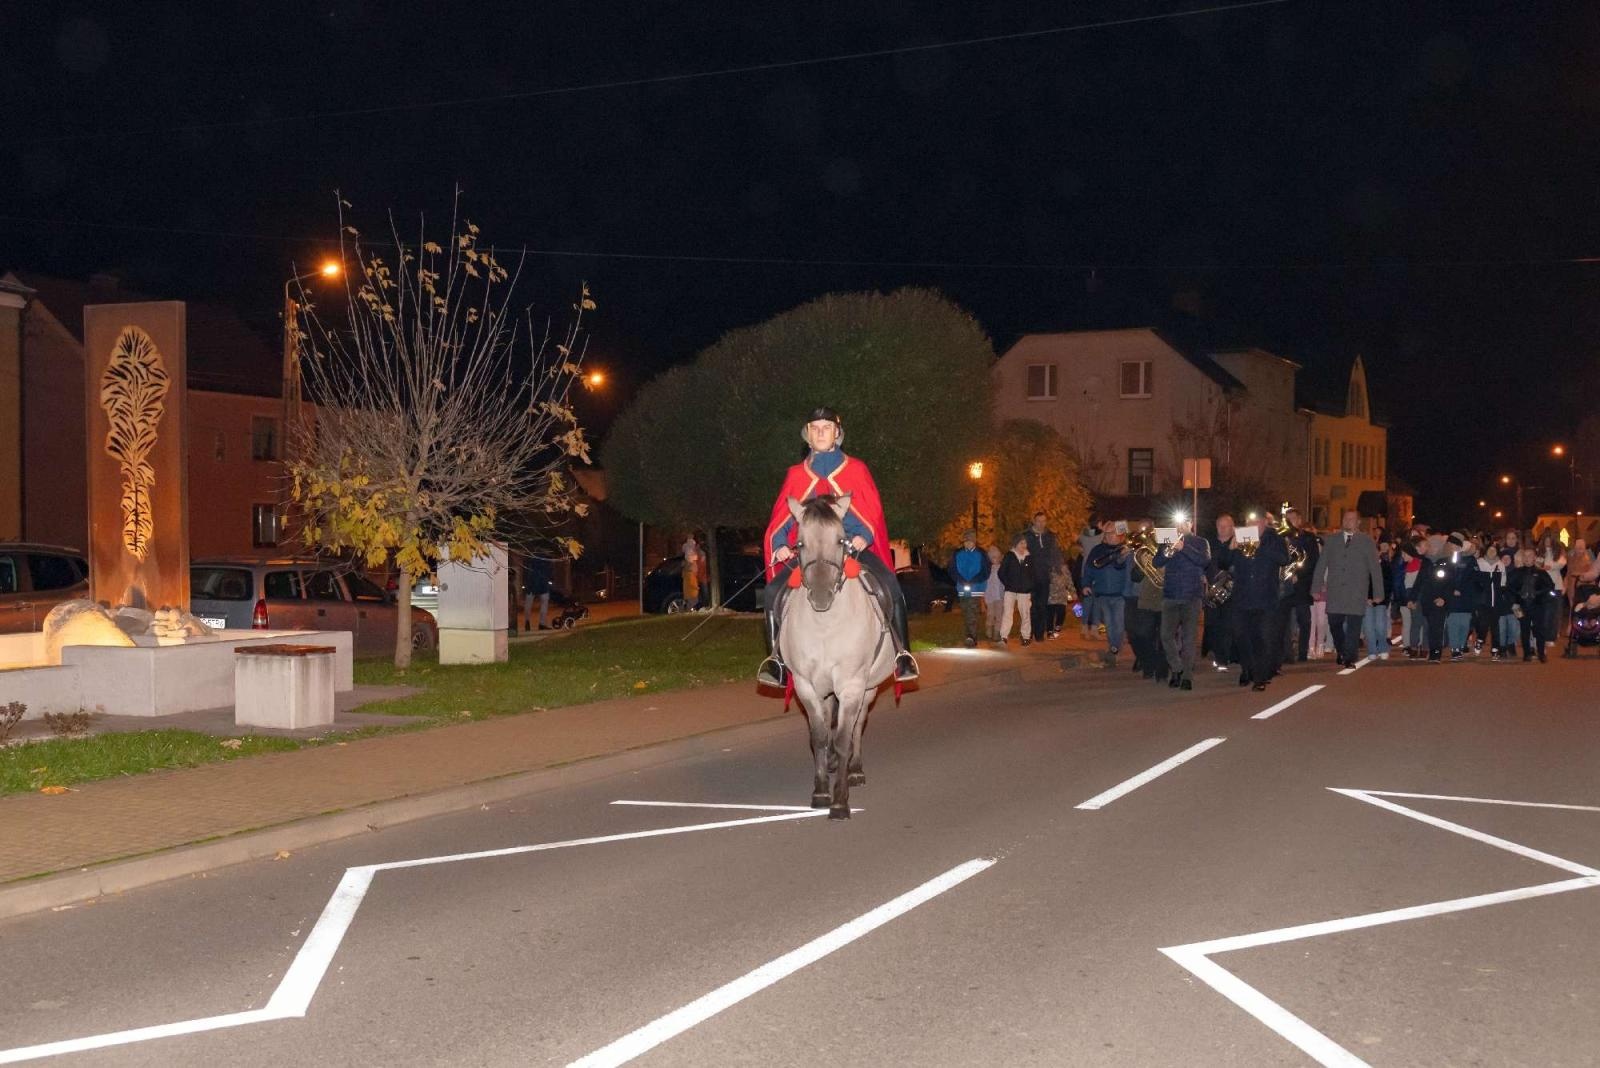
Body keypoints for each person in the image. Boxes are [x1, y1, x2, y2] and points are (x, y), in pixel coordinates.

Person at [757, 407, 917, 688]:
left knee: (890, 584)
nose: (820, 432)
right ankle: (777, 661)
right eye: (815, 428)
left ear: (836, 434)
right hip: (810, 552)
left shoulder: (856, 469)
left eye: (826, 428)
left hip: (851, 548)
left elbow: (873, 511)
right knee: (772, 592)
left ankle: (903, 654)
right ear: (808, 436)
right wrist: (781, 544)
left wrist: (864, 536)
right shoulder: (796, 474)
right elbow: (781, 517)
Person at [1312, 510, 1384, 668]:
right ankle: (1342, 650)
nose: (1348, 521)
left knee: (1353, 626)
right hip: (1335, 590)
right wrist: (1316, 587)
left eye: (1351, 519)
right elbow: (1321, 564)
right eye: (1345, 518)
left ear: (1358, 522)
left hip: (1357, 591)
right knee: (1334, 623)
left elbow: (1375, 568)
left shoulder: (1366, 541)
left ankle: (1349, 657)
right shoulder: (1331, 540)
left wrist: (1378, 593)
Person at [1229, 518, 1290, 691]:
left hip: (1266, 598)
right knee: (1241, 636)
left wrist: (1260, 547)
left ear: (1264, 523)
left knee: (1262, 638)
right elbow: (1224, 563)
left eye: (1256, 522)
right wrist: (1230, 548)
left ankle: (1260, 677)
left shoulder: (1275, 539)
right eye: (1249, 522)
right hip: (1242, 597)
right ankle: (1247, 669)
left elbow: (1284, 559)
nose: (1252, 526)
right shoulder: (1240, 537)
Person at [1154, 519, 1210, 690]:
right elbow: (1157, 563)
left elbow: (1204, 561)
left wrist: (1183, 547)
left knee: (1189, 638)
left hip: (1191, 596)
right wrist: (1166, 552)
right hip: (1170, 595)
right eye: (1177, 523)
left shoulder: (1200, 542)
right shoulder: (1167, 539)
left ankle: (1187, 676)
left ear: (1191, 524)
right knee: (1166, 635)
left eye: (1184, 523)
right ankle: (1176, 668)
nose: (1180, 526)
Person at [1084, 526, 1131, 664]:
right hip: (1102, 594)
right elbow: (1089, 569)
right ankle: (1113, 648)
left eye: (1113, 534)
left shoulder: (1125, 550)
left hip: (1120, 595)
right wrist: (1086, 584)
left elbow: (1126, 570)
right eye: (1108, 534)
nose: (1110, 536)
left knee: (1119, 624)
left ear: (1119, 535)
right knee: (1109, 624)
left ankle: (1115, 649)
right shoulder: (1097, 550)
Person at [1511, 546, 1557, 661]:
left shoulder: (1541, 573)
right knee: (1525, 630)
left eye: (1530, 556)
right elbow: (1510, 589)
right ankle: (1527, 654)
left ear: (1534, 558)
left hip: (1538, 606)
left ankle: (1541, 653)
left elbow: (1550, 586)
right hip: (1521, 606)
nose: (1527, 558)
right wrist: (1515, 602)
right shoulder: (1516, 573)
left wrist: (1539, 595)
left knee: (1539, 630)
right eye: (1525, 556)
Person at [1024, 512, 1063, 645]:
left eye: (1044, 521)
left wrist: (1058, 569)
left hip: (1044, 575)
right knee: (1030, 606)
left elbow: (1055, 553)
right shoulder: (1027, 536)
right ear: (1033, 521)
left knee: (1042, 605)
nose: (1041, 524)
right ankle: (1028, 632)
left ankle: (1039, 633)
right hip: (1029, 576)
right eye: (1039, 521)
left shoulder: (1050, 536)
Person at [1412, 534, 1453, 662]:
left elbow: (1450, 582)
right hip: (1427, 599)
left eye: (1433, 545)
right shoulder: (1427, 561)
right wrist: (1411, 598)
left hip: (1440, 600)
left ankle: (1436, 652)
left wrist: (1444, 598)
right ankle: (1433, 650)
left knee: (1438, 626)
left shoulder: (1446, 561)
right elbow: (1420, 580)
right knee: (1430, 627)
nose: (1430, 548)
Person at [1205, 514, 1237, 672]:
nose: (1223, 529)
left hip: (1234, 590)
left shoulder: (1238, 542)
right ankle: (1220, 657)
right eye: (1220, 526)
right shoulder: (1209, 544)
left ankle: (1228, 656)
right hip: (1213, 591)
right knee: (1214, 626)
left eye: (1226, 526)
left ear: (1233, 527)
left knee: (1230, 625)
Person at [951, 529, 989, 648]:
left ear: (974, 541)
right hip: (962, 587)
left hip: (976, 587)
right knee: (966, 612)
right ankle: (970, 636)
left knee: (972, 612)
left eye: (970, 541)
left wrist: (974, 580)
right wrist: (961, 580)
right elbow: (952, 569)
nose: (968, 543)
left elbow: (985, 570)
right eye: (966, 541)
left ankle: (971, 637)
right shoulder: (958, 553)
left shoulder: (981, 553)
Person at [998, 535, 1035, 645]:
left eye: (1025, 543)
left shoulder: (1029, 557)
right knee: (1008, 613)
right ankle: (1004, 636)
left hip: (1024, 591)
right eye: (1021, 543)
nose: (1023, 546)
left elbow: (1033, 574)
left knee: (1025, 613)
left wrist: (1030, 585)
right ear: (1016, 544)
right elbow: (1001, 572)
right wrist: (1008, 583)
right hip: (1010, 590)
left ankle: (1025, 636)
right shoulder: (1010, 556)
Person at [1363, 540, 1394, 660]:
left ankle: (1383, 648)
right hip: (1366, 601)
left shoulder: (1385, 565)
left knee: (1380, 626)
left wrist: (1380, 598)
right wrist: (1366, 597)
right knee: (1368, 627)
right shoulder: (1362, 566)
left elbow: (1388, 584)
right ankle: (1372, 650)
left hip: (1380, 600)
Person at [1076, 517, 1102, 639]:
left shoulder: (1083, 535)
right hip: (1098, 570)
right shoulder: (1101, 537)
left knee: (1087, 601)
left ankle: (1084, 627)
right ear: (1099, 524)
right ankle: (1094, 628)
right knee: (1097, 601)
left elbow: (1075, 539)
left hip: (1085, 570)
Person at [522, 555, 553, 631]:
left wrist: (525, 583)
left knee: (529, 603)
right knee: (544, 603)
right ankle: (541, 624)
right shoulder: (546, 558)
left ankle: (527, 622)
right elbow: (550, 571)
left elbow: (525, 571)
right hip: (542, 583)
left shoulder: (529, 558)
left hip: (532, 583)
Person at [983, 544, 1006, 641]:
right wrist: (983, 596)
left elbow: (1005, 581)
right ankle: (988, 629)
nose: (995, 559)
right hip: (989, 596)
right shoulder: (987, 570)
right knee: (990, 614)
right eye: (993, 557)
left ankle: (997, 632)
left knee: (999, 615)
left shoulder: (1002, 568)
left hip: (1000, 596)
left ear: (1000, 557)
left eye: (997, 557)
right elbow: (984, 583)